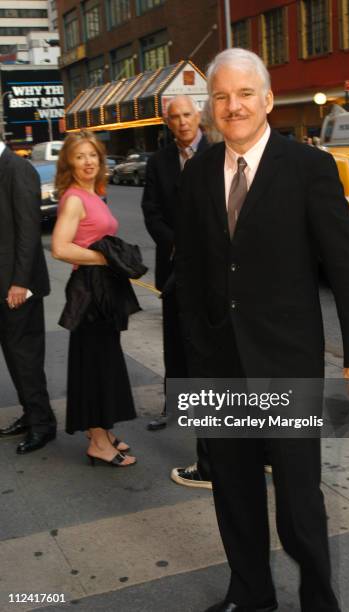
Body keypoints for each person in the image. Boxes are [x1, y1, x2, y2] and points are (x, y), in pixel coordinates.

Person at [176, 49, 349, 612]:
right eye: (221, 96)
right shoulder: (197, 173)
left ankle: (318, 600)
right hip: (216, 364)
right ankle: (251, 593)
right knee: (233, 493)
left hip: (285, 361)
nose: (233, 105)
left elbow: (345, 266)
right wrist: (192, 354)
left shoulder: (308, 167)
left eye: (245, 94)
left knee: (297, 498)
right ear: (210, 106)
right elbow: (190, 270)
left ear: (267, 100)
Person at [52, 130, 137, 467]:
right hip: (90, 290)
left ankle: (99, 430)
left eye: (93, 155)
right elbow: (60, 247)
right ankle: (99, 442)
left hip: (101, 288)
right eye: (79, 156)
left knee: (101, 359)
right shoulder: (74, 198)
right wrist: (105, 259)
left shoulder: (93, 193)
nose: (88, 162)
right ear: (69, 163)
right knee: (95, 363)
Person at [141, 95, 212, 488]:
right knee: (174, 336)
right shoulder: (158, 161)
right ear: (167, 122)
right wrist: (174, 244)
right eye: (175, 117)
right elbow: (150, 210)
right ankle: (177, 403)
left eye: (187, 114)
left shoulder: (218, 153)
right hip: (173, 263)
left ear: (198, 116)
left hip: (212, 268)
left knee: (210, 342)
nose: (182, 122)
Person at [0, 132, 57, 454]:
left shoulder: (17, 169)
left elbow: (28, 232)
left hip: (18, 288)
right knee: (14, 356)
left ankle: (43, 426)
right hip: (4, 285)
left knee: (25, 359)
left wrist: (20, 282)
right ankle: (31, 414)